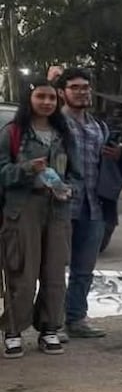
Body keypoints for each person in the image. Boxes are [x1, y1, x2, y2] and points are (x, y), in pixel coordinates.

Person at [1, 75, 78, 358]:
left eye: (51, 98)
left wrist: (69, 190)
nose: (47, 103)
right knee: (22, 272)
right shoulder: (12, 133)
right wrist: (26, 170)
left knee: (55, 273)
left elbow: (77, 176)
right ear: (29, 99)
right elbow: (2, 173)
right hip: (22, 210)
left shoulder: (64, 134)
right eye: (40, 97)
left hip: (58, 211)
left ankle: (49, 328)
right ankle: (13, 331)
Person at [55, 67, 118, 339]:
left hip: (95, 206)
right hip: (62, 206)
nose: (82, 92)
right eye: (75, 88)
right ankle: (52, 322)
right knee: (55, 268)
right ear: (62, 92)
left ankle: (76, 318)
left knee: (84, 269)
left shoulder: (98, 126)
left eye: (85, 87)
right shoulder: (55, 123)